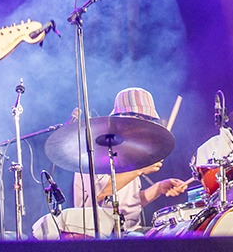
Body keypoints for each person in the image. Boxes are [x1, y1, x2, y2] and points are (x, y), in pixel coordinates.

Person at [70, 87, 188, 234]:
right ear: (122, 120)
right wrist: (139, 170)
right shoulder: (94, 150)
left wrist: (159, 188)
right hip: (100, 233)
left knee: (179, 233)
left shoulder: (130, 153)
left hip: (131, 230)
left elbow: (130, 203)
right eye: (142, 120)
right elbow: (100, 193)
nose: (145, 128)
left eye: (149, 121)